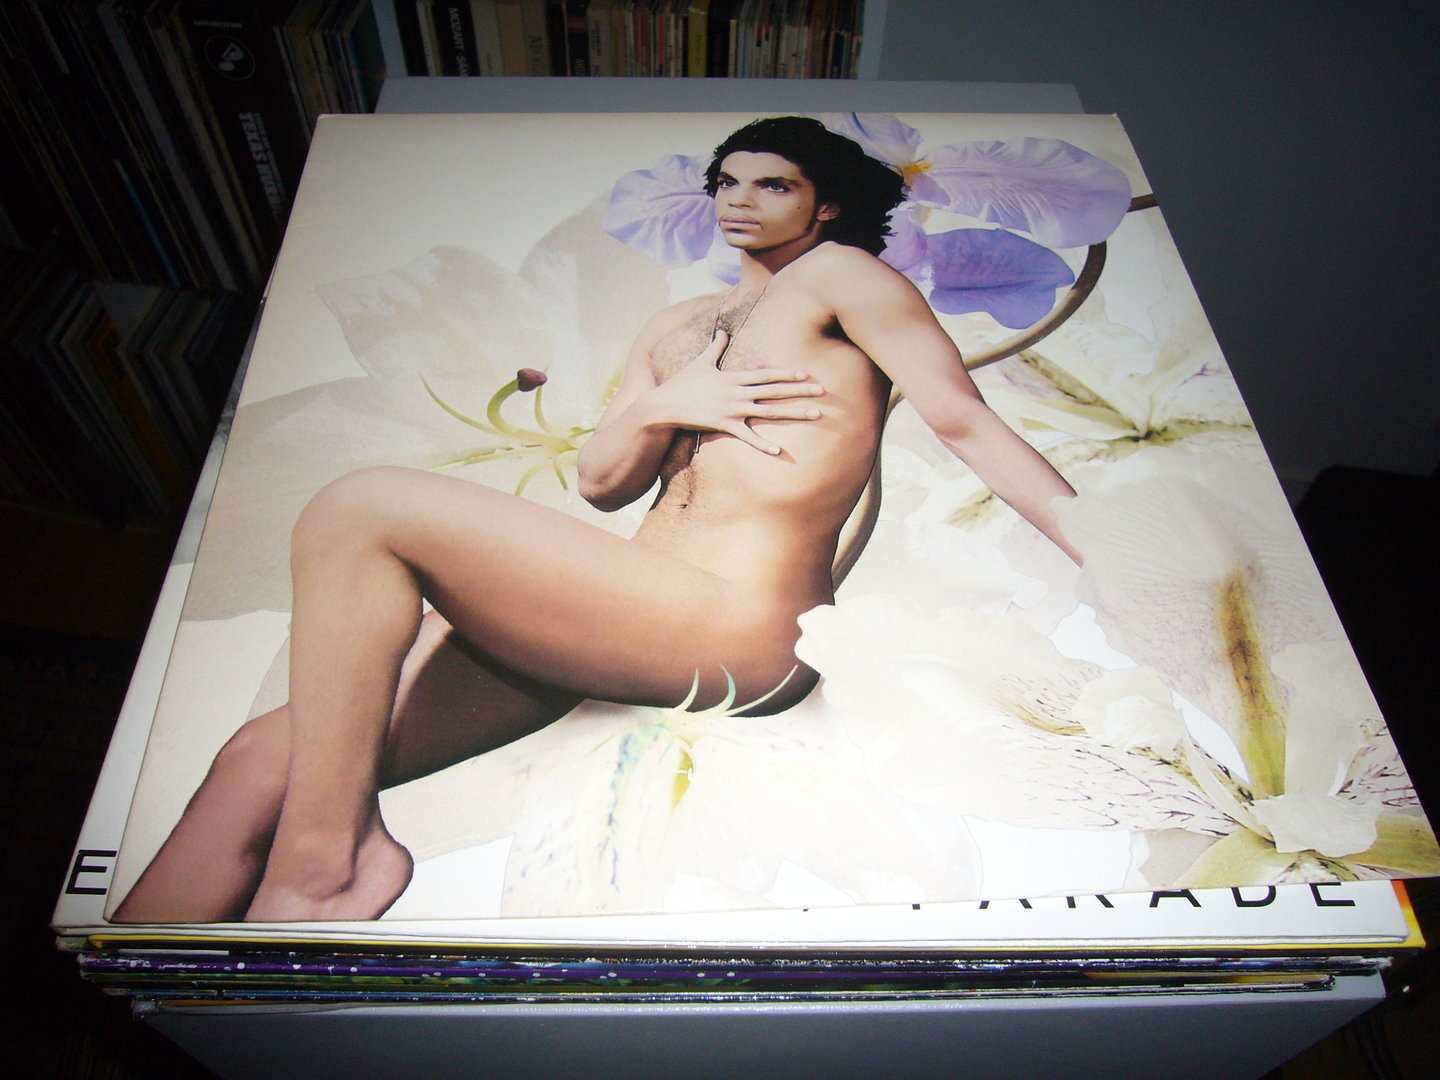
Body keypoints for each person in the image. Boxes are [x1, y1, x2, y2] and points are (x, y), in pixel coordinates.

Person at [113, 117, 1078, 924]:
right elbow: (603, 483)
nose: (740, 200)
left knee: (361, 506)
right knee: (257, 760)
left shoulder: (844, 278)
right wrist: (665, 403)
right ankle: (141, 969)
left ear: (823, 205)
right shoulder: (675, 327)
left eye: (772, 184)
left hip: (741, 625)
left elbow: (962, 420)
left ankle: (327, 865)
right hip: (632, 613)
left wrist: (1101, 550)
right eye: (727, 182)